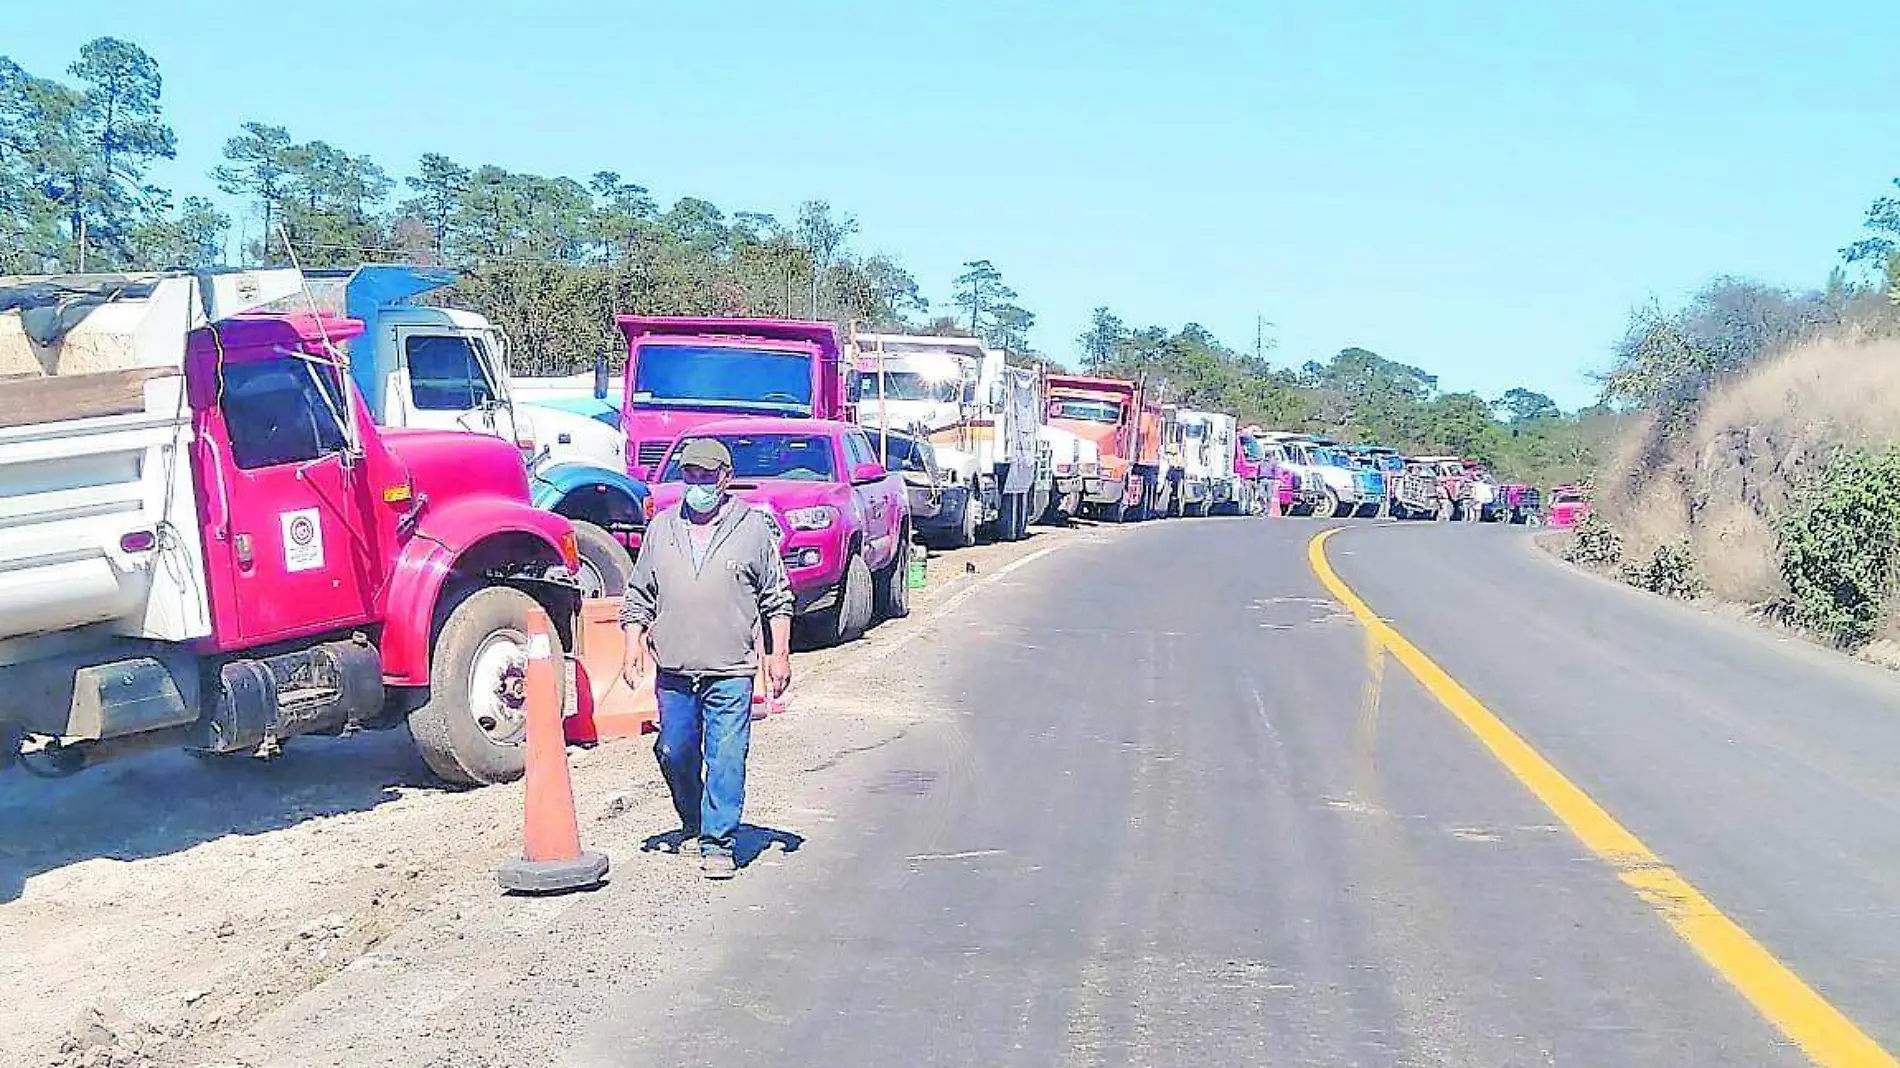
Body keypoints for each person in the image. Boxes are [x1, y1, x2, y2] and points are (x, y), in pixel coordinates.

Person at [620, 438, 793, 879]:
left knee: (727, 754)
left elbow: (777, 597)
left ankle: (718, 841)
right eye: (689, 475)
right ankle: (695, 820)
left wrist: (779, 654)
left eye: (705, 475)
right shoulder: (662, 528)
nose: (696, 484)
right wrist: (632, 645)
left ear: (725, 478)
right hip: (675, 668)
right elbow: (639, 594)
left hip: (731, 668)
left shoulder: (753, 528)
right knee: (674, 749)